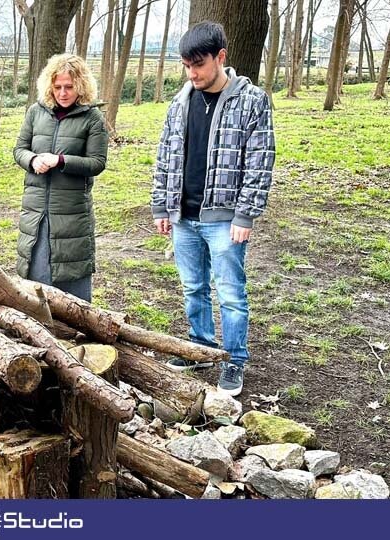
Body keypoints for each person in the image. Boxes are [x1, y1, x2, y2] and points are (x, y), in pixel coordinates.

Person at [151, 22, 275, 396]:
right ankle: (200, 348)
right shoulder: (180, 100)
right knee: (193, 287)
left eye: (199, 65)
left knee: (231, 293)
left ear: (220, 57)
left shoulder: (252, 100)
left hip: (226, 220)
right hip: (183, 216)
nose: (193, 73)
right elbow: (165, 156)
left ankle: (234, 359)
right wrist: (161, 205)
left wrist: (245, 214)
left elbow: (260, 160)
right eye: (187, 65)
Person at [13, 53, 108, 302]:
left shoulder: (92, 118)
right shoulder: (36, 113)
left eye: (69, 87)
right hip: (36, 210)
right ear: (49, 86)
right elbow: (19, 149)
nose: (63, 93)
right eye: (57, 87)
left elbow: (97, 162)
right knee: (36, 275)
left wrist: (61, 161)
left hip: (71, 213)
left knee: (71, 274)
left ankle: (77, 331)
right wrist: (33, 160)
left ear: (81, 86)